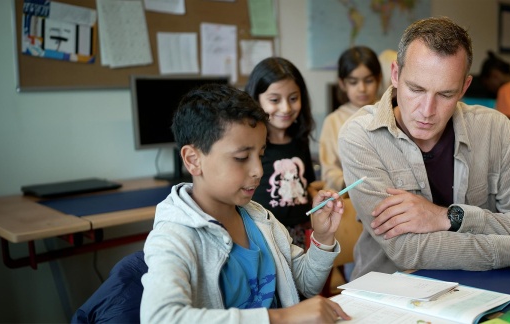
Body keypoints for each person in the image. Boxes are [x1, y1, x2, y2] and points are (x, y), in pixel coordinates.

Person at [338, 16, 510, 280]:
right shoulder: (360, 136)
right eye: (416, 89)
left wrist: (448, 217)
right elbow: (407, 249)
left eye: (445, 94)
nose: (427, 111)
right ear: (396, 76)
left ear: (464, 87)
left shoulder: (496, 130)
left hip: (488, 286)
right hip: (391, 293)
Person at [140, 83, 351, 323]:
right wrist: (280, 317)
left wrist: (322, 239)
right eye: (241, 158)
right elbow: (160, 318)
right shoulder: (174, 236)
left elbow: (304, 283)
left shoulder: (259, 218)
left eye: (260, 155)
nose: (258, 170)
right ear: (193, 160)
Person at [245, 57, 317, 249]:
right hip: (263, 236)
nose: (285, 108)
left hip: (301, 236)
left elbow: (307, 187)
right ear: (255, 99)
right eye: (275, 100)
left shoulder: (300, 140)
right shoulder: (248, 145)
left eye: (293, 98)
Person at [320, 46, 382, 192]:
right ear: (342, 83)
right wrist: (349, 184)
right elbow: (329, 171)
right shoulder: (333, 121)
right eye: (353, 82)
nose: (362, 88)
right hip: (350, 198)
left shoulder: (390, 112)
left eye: (368, 80)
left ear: (379, 79)